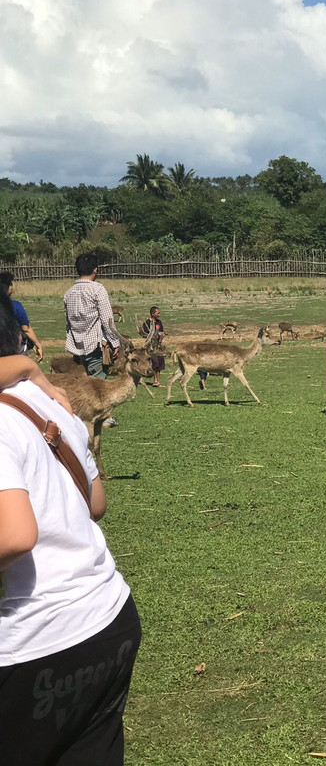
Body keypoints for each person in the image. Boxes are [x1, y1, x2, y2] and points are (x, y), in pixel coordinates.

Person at [0, 288, 141, 766]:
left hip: (31, 644)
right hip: (108, 616)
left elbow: (15, 537)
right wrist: (28, 368)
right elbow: (96, 502)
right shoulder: (53, 402)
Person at [63, 253, 123, 379]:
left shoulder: (69, 293)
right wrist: (115, 342)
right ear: (95, 270)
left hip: (77, 347)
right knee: (97, 386)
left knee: (84, 383)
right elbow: (107, 320)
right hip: (94, 347)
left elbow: (68, 323)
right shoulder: (98, 289)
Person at [0, 272, 43, 362]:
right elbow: (26, 329)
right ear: (7, 287)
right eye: (10, 284)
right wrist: (38, 344)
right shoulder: (16, 306)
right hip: (14, 348)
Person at [139, 306, 167, 386]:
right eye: (157, 313)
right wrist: (156, 334)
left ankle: (156, 381)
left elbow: (161, 331)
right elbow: (144, 334)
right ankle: (144, 379)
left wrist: (163, 334)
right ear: (152, 313)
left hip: (158, 345)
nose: (159, 315)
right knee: (154, 363)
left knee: (160, 363)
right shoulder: (147, 323)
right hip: (150, 346)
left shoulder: (159, 322)